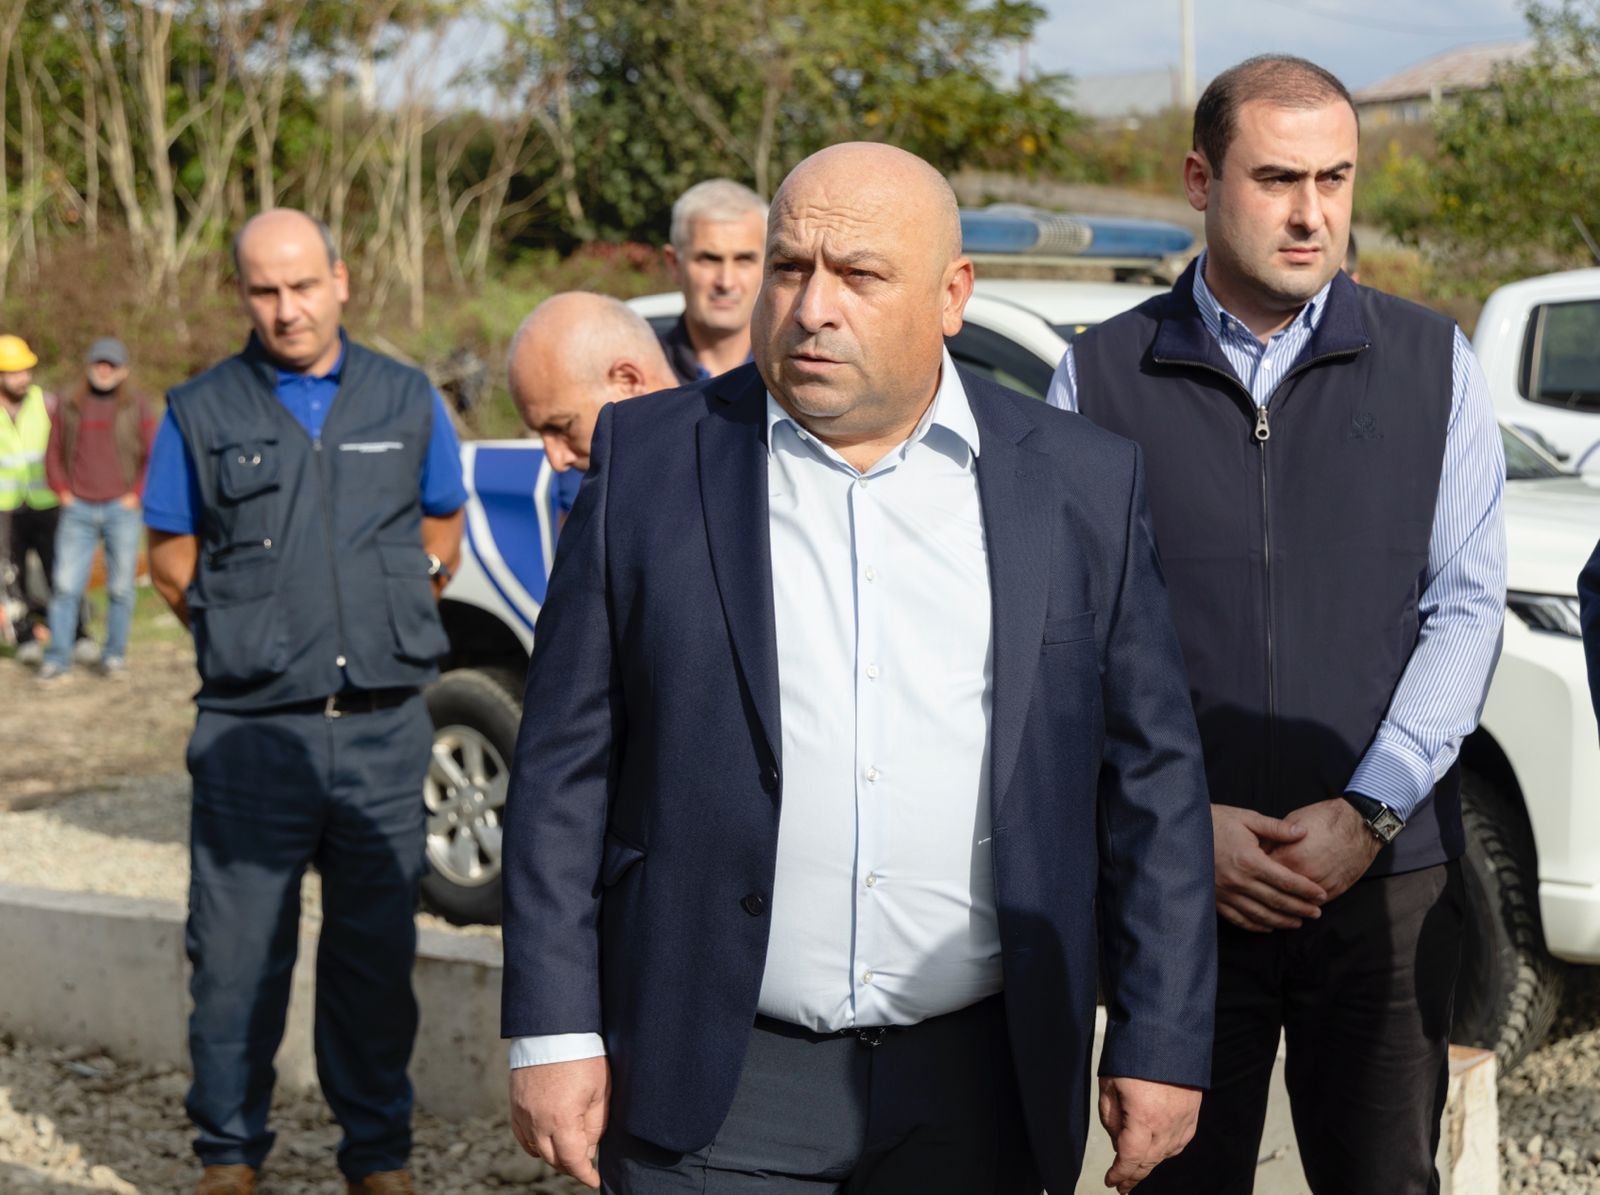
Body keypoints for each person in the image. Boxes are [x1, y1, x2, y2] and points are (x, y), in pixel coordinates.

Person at [500, 141, 1217, 1195]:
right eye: (790, 267)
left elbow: (1152, 779)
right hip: (715, 1081)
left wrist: (1161, 1031)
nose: (811, 308)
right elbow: (562, 770)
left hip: (982, 1088)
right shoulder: (649, 462)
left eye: (860, 275)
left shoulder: (1079, 482)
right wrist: (552, 1027)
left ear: (951, 295)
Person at [1049, 55, 1506, 1194]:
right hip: (1180, 894)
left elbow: (1464, 607)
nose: (1312, 213)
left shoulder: (1432, 364)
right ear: (1200, 180)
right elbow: (1063, 647)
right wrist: (1176, 830)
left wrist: (1369, 810)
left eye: (1334, 178)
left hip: (1385, 884)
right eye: (1277, 179)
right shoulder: (1098, 377)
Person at [143, 208, 467, 1195]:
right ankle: (228, 1156)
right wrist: (250, 632)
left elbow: (443, 523)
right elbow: (169, 556)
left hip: (383, 730)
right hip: (250, 736)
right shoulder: (200, 408)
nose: (287, 309)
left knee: (375, 962)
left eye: (303, 285)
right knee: (234, 961)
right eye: (265, 290)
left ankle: (378, 1156)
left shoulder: (406, 396)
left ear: (341, 279)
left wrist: (393, 601)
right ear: (242, 295)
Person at [39, 336, 157, 681]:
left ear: (124, 371)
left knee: (120, 588)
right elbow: (53, 451)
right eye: (99, 363)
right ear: (89, 366)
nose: (104, 370)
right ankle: (58, 659)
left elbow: (152, 453)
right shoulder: (69, 403)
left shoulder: (136, 405)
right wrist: (62, 490)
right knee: (65, 586)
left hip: (122, 509)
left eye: (112, 364)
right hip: (78, 508)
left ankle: (114, 656)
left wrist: (136, 494)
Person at [657, 179, 767, 384]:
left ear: (769, 265)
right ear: (674, 264)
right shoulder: (640, 377)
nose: (726, 282)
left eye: (744, 260)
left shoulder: (794, 377)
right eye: (709, 259)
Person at [0, 334, 64, 663]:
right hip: (5, 506)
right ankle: (24, 636)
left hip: (46, 501)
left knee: (60, 569)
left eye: (26, 370)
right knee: (12, 575)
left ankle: (74, 631)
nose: (23, 378)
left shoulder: (48, 403)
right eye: (14, 372)